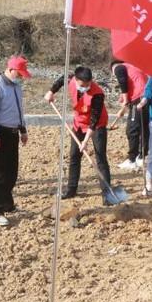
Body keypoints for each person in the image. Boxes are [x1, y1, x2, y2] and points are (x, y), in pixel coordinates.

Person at [46, 66, 117, 204]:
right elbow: (61, 80)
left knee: (100, 157)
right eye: (83, 85)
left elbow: (94, 120)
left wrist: (85, 140)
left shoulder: (98, 93)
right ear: (76, 80)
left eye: (89, 84)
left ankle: (107, 194)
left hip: (97, 125)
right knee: (74, 156)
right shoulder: (71, 80)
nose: (86, 87)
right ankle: (71, 189)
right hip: (78, 123)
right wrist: (51, 91)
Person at [0, 56, 31, 226]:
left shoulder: (16, 87)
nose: (20, 77)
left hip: (13, 132)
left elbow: (20, 110)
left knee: (12, 172)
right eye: (19, 73)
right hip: (0, 132)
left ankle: (8, 204)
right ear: (11, 69)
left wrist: (23, 129)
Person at [112, 59, 149, 171]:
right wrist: (124, 102)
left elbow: (123, 82)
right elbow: (130, 85)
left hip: (138, 99)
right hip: (146, 98)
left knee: (132, 130)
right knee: (144, 128)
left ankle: (132, 160)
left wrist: (126, 99)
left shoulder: (118, 67)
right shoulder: (133, 67)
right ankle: (142, 157)